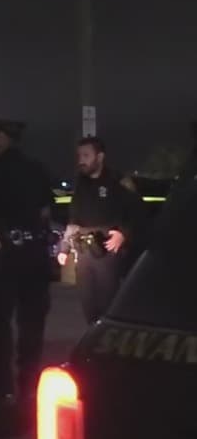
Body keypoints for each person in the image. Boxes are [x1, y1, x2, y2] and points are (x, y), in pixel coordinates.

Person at [0, 117, 56, 408]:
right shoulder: (37, 168)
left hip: (7, 256)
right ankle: (29, 390)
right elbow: (45, 212)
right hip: (37, 255)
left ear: (6, 139)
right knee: (32, 324)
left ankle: (0, 389)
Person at [57, 137, 140, 323]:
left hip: (107, 251)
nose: (81, 160)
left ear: (100, 157)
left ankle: (107, 347)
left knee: (108, 307)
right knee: (89, 307)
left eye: (86, 155)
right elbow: (73, 220)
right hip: (84, 252)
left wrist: (123, 233)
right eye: (79, 155)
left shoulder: (118, 182)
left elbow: (138, 213)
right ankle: (92, 347)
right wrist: (64, 247)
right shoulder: (81, 184)